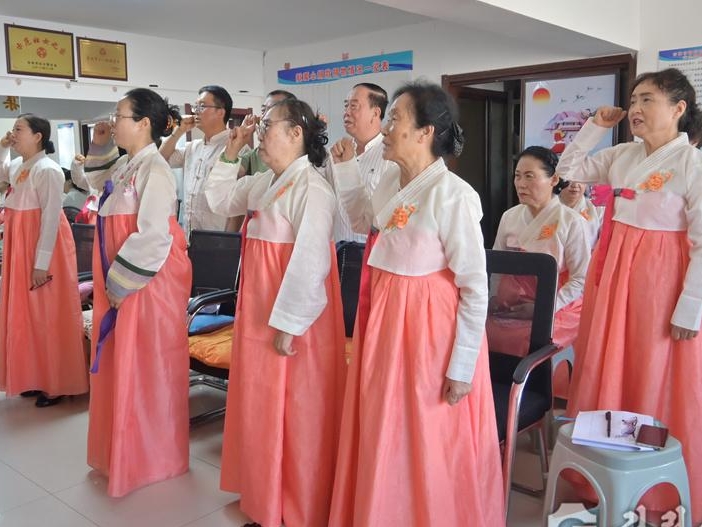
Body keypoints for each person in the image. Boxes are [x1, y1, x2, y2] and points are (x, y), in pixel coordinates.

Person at [328, 81, 505, 526]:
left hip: (428, 336)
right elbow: (362, 218)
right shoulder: (390, 178)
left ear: (425, 132)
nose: (385, 129)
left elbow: (474, 288)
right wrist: (348, 169)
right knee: (386, 427)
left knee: (424, 436)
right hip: (385, 322)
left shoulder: (454, 195)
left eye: (395, 120)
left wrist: (462, 366)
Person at [559, 68, 702, 523]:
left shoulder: (691, 165)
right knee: (610, 363)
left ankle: (655, 489)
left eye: (648, 101)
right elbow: (567, 171)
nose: (636, 110)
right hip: (614, 276)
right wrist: (596, 125)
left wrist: (691, 305)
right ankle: (604, 477)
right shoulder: (622, 154)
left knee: (654, 370)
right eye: (634, 100)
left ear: (679, 109)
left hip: (661, 284)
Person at [204, 98, 346, 527]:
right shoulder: (266, 181)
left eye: (268, 126)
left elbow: (310, 262)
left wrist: (289, 325)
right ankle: (267, 497)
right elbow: (219, 200)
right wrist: (231, 151)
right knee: (262, 405)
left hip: (292, 321)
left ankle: (295, 505)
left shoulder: (312, 189)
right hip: (259, 312)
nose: (260, 134)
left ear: (296, 134)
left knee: (295, 410)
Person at [84, 88, 192, 498]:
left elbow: (155, 236)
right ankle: (124, 453)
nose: (115, 122)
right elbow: (93, 182)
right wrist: (98, 143)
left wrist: (118, 286)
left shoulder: (156, 171)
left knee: (147, 367)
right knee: (124, 365)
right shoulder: (130, 165)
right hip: (129, 285)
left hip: (147, 284)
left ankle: (153, 458)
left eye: (121, 115)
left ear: (144, 123)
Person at [0, 114, 88, 407]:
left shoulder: (49, 170)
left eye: (19, 129)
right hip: (20, 246)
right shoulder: (17, 165)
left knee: (49, 315)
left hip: (43, 247)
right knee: (27, 315)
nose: (14, 134)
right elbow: (3, 174)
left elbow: (51, 217)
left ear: (38, 136)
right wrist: (3, 147)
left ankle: (58, 382)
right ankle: (35, 376)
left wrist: (41, 263)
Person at [487, 146, 590, 356]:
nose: (521, 184)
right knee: (483, 332)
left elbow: (581, 279)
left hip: (558, 305)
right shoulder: (510, 217)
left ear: (553, 180)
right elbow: (496, 267)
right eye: (517, 176)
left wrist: (543, 308)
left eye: (529, 176)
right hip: (512, 305)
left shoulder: (572, 222)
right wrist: (494, 299)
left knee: (529, 340)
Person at [159, 84, 236, 238]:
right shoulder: (193, 147)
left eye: (201, 106)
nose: (195, 112)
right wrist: (179, 130)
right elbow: (161, 158)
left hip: (218, 237)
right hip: (188, 235)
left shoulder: (234, 146)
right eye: (195, 107)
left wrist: (229, 239)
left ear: (220, 112)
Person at [328, 82, 393, 243]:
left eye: (354, 106)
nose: (346, 113)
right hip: (337, 254)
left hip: (370, 256)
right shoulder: (338, 151)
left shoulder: (390, 156)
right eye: (346, 106)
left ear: (375, 113)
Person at [237, 89, 297, 177]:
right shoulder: (254, 155)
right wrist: (239, 141)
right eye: (263, 110)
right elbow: (228, 176)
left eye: (273, 109)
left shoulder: (302, 154)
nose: (265, 116)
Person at [558, 180, 601, 248]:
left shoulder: (598, 210)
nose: (575, 185)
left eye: (580, 180)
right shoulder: (548, 208)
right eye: (569, 180)